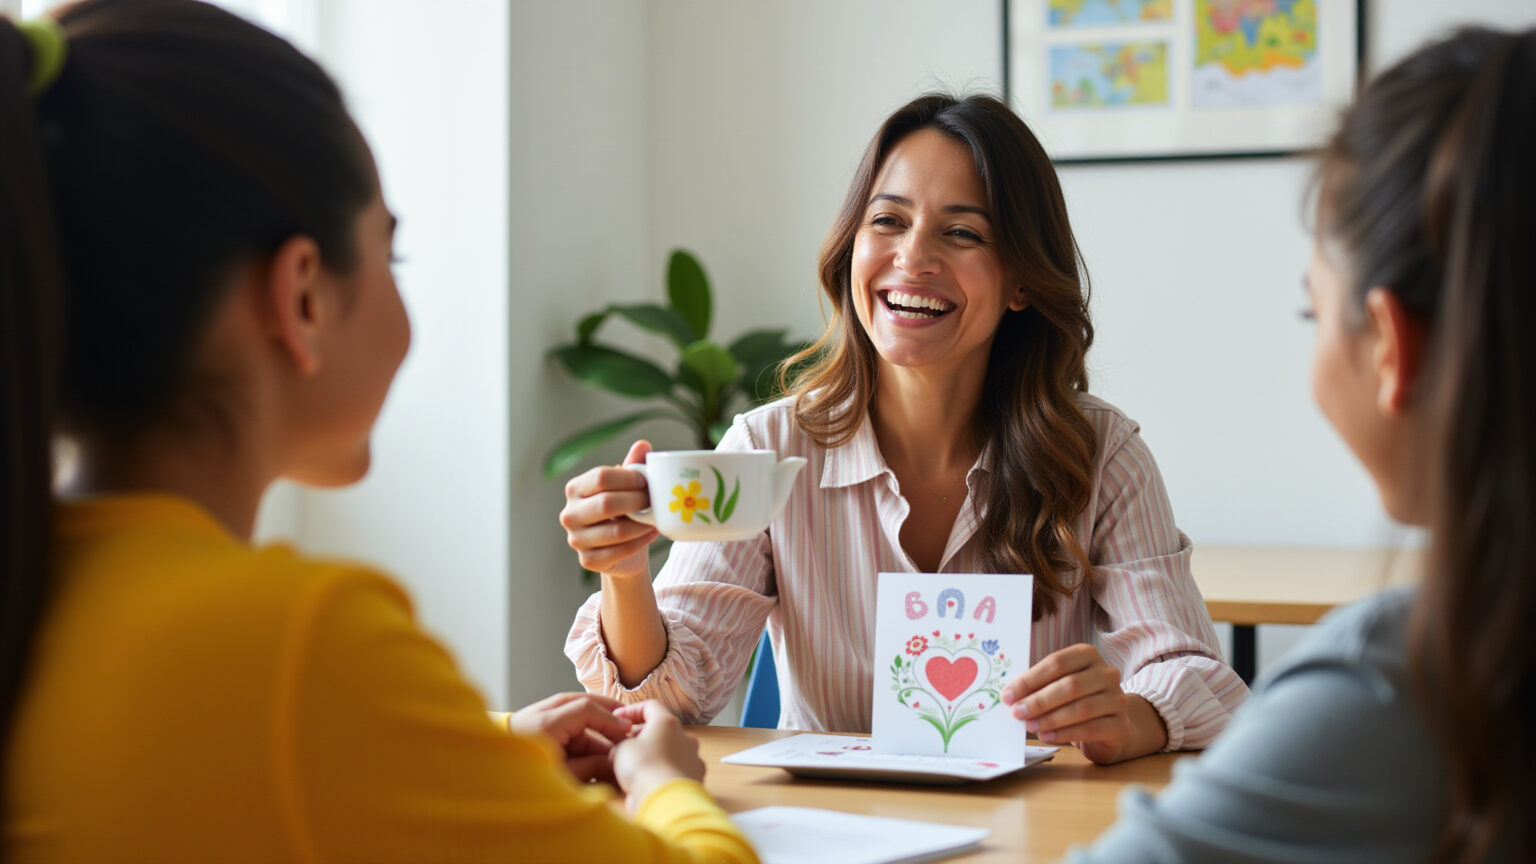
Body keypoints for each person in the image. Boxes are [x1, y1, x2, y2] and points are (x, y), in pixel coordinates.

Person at [0, 3, 756, 862]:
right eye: (389, 255)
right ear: (304, 298)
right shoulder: (301, 640)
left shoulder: (44, 581)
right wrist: (667, 785)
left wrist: (492, 746)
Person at [561, 93, 1247, 764]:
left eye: (962, 232)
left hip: (1028, 831)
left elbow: (1193, 672)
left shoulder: (1101, 457)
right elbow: (673, 699)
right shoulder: (766, 450)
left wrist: (1130, 716)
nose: (913, 258)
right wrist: (624, 574)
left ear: (1021, 283)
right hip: (827, 830)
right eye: (887, 220)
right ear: (850, 249)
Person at [1063, 25, 1535, 863]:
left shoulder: (1412, 683)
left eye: (1313, 311)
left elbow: (1191, 675)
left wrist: (1136, 714)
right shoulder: (780, 441)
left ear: (1390, 344)